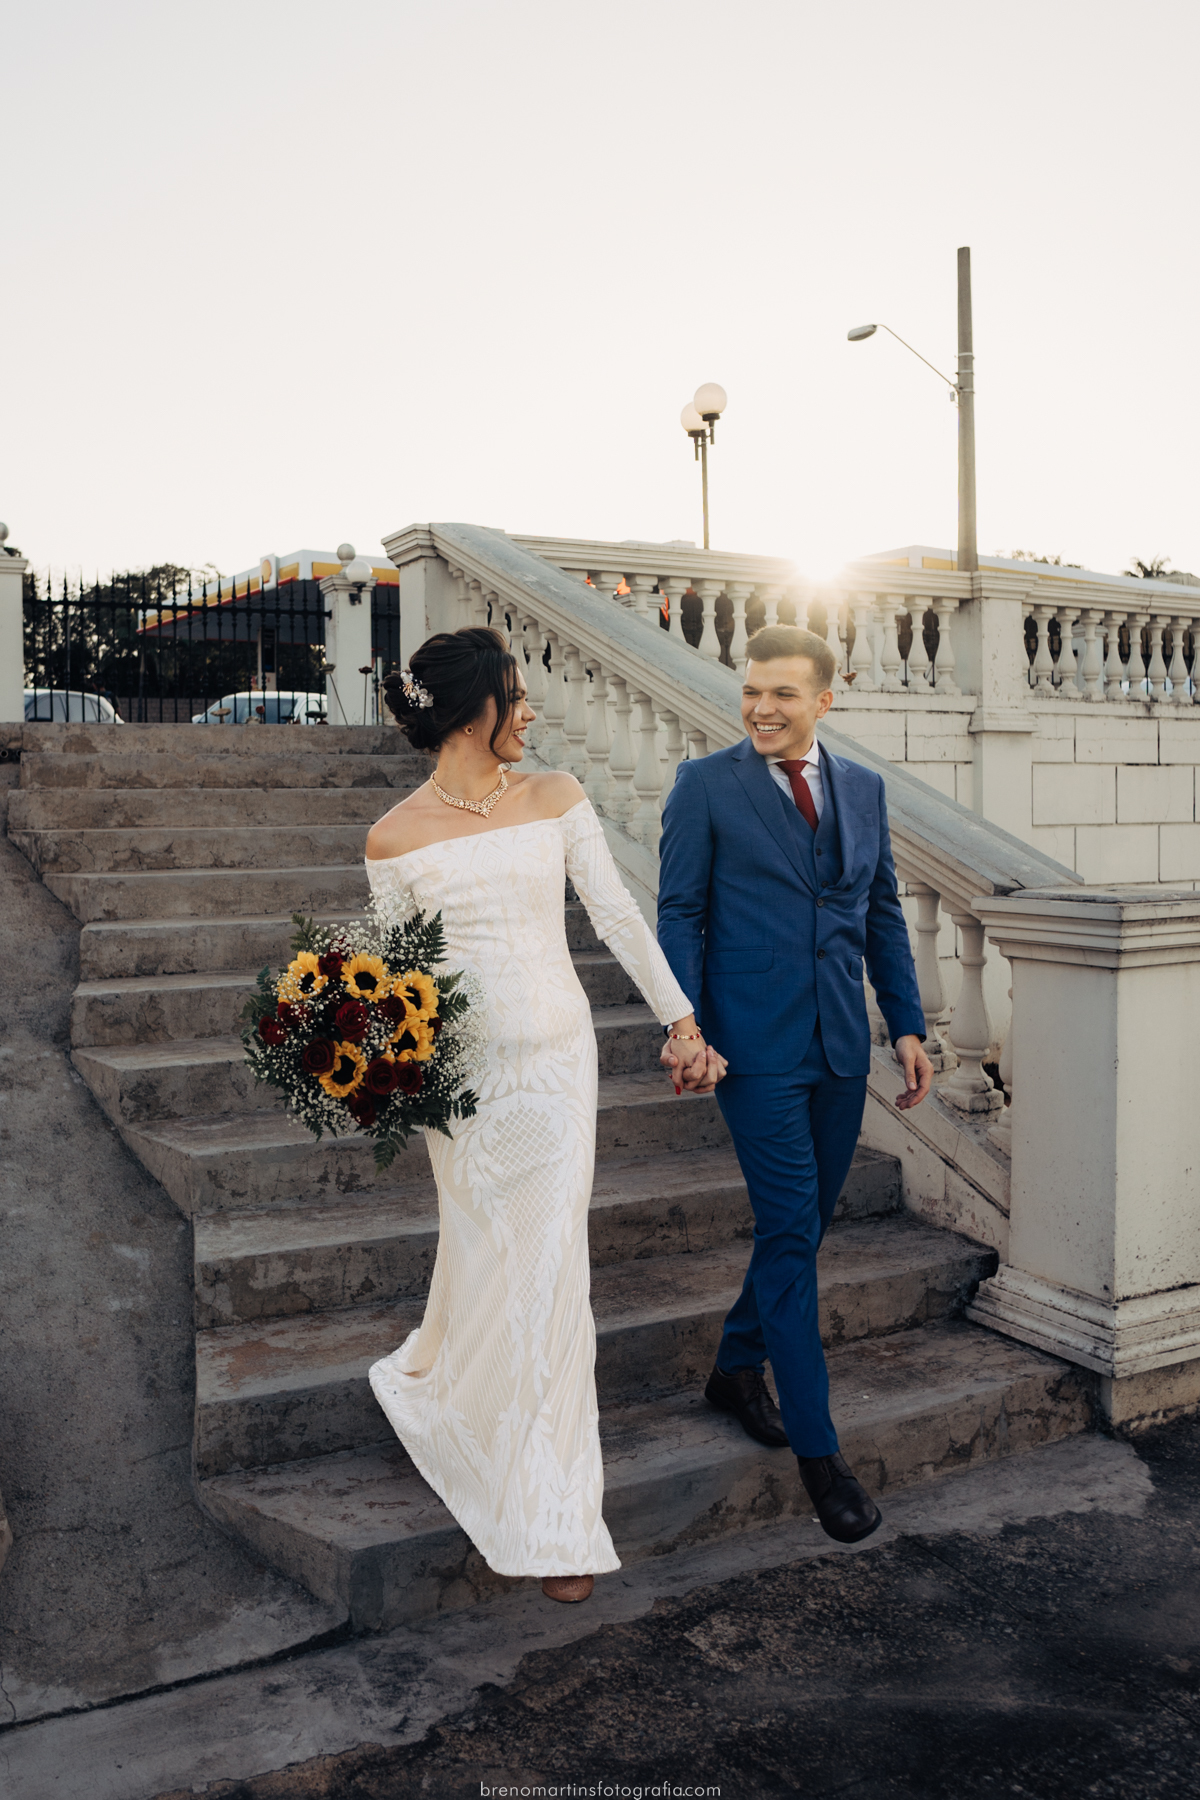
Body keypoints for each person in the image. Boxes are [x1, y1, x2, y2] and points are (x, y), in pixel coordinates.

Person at [364, 627, 725, 1605]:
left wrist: (681, 1021)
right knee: (488, 1264)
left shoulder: (556, 797)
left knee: (552, 1277)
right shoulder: (392, 837)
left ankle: (549, 1518)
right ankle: (482, 1443)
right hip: (468, 1086)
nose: (530, 714)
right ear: (473, 708)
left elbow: (615, 915)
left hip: (560, 1067)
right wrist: (373, 1067)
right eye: (516, 697)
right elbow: (400, 981)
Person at [656, 624, 932, 1544]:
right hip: (753, 1052)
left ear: (826, 696)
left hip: (842, 1048)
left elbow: (881, 909)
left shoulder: (864, 789)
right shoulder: (705, 787)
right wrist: (684, 1024)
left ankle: (735, 1363)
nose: (762, 708)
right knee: (788, 1229)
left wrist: (907, 1022)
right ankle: (822, 1459)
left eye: (783, 694)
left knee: (803, 1230)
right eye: (752, 691)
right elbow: (681, 911)